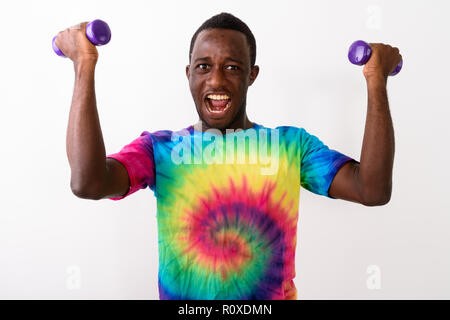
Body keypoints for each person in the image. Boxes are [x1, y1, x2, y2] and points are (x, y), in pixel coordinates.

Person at [55, 12, 401, 300]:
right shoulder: (160, 149)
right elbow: (88, 182)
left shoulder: (290, 146)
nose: (216, 80)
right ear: (188, 74)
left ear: (252, 75)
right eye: (204, 66)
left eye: (233, 68)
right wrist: (84, 64)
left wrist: (375, 80)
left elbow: (371, 189)